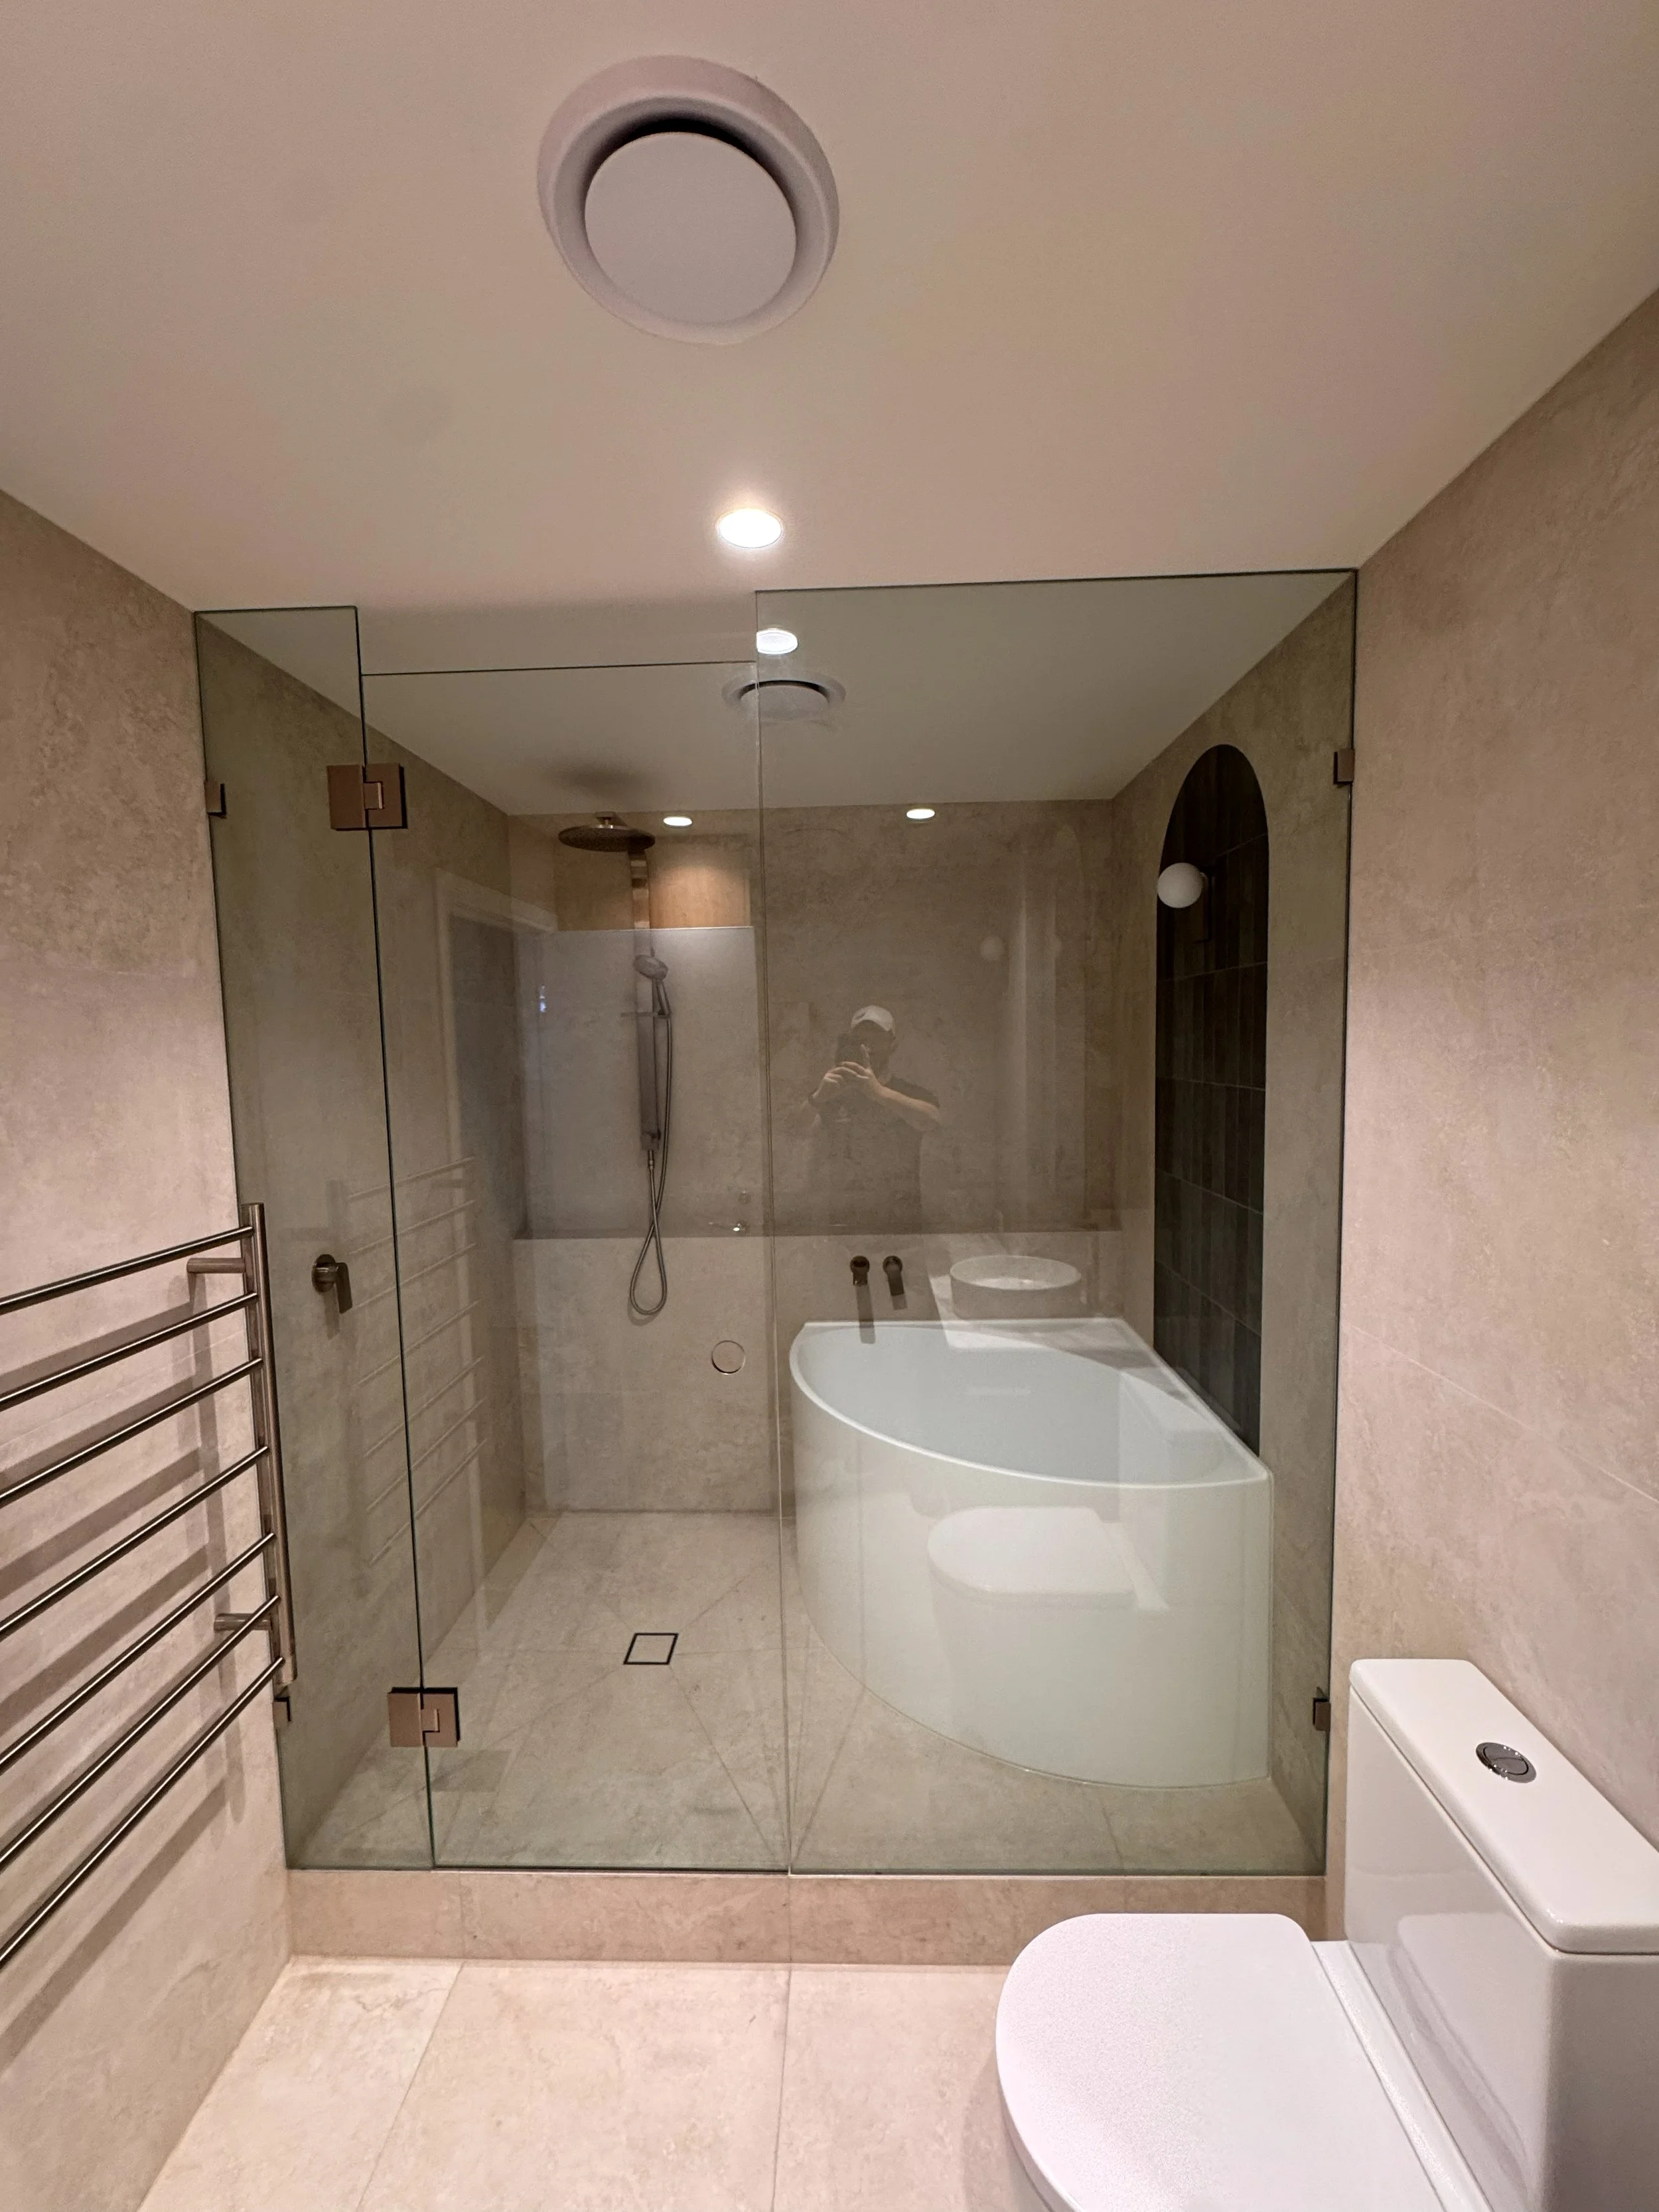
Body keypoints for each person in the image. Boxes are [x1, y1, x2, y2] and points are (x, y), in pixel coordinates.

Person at [806, 1005, 941, 1231]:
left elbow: (933, 1122)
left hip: (903, 1225)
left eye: (877, 1038)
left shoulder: (910, 1093)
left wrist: (877, 1092)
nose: (869, 1046)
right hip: (845, 1224)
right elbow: (791, 1135)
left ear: (893, 1045)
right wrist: (819, 1097)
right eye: (860, 1038)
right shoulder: (833, 1091)